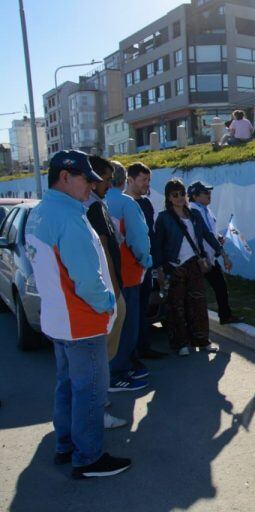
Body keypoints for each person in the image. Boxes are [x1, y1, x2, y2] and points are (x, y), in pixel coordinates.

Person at [25, 150, 131, 478]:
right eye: (87, 179)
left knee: (67, 386)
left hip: (59, 318)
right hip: (81, 321)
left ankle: (66, 445)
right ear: (65, 177)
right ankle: (88, 458)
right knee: (90, 390)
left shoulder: (42, 213)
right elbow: (86, 278)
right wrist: (108, 305)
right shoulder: (68, 217)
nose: (92, 186)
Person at [85, 156, 129, 430]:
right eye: (106, 179)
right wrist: (113, 293)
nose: (110, 184)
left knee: (101, 356)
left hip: (110, 288)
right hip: (107, 290)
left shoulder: (97, 205)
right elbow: (103, 252)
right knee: (97, 358)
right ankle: (96, 410)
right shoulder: (89, 209)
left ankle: (98, 401)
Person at [154, 179, 222, 355]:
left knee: (198, 303)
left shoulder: (194, 215)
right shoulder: (164, 218)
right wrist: (160, 269)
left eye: (182, 194)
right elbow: (158, 245)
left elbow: (206, 235)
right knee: (176, 306)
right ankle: (181, 343)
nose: (179, 198)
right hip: (174, 265)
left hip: (194, 263)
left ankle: (202, 340)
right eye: (174, 195)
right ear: (168, 197)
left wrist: (221, 251)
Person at [105, 163, 152, 392]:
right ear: (124, 180)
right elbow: (139, 240)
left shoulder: (92, 203)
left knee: (112, 325)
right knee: (127, 324)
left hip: (105, 275)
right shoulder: (125, 203)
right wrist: (146, 261)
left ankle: (117, 367)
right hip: (128, 273)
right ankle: (119, 371)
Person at [124, 162, 167, 360]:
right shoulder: (121, 203)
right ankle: (129, 352)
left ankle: (144, 346)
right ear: (130, 180)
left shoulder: (146, 203)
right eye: (143, 180)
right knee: (130, 313)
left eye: (148, 180)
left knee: (142, 309)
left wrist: (157, 266)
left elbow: (152, 235)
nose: (147, 184)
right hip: (129, 268)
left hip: (147, 266)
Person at [188, 181, 243, 325]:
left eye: (209, 192)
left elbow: (210, 231)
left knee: (220, 287)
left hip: (210, 257)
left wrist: (218, 238)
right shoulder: (194, 211)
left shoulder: (206, 210)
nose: (209, 195)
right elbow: (203, 234)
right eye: (205, 193)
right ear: (195, 196)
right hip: (200, 259)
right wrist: (222, 252)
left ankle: (225, 316)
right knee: (199, 292)